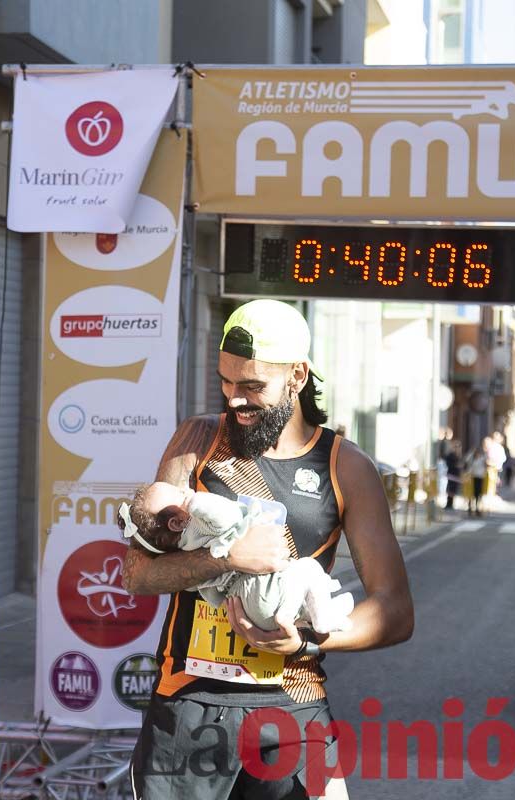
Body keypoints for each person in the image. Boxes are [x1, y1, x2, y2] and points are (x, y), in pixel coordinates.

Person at [123, 299, 414, 799]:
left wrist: (306, 643)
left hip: (292, 705)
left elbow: (395, 610)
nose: (235, 399)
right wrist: (224, 560)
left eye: (253, 386)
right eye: (226, 381)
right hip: (187, 704)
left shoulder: (346, 466)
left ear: (297, 376)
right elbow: (136, 574)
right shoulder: (197, 440)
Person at [119, 482, 355, 634]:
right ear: (178, 521)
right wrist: (196, 502)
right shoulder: (200, 522)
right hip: (262, 586)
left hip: (244, 606)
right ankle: (322, 615)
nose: (187, 490)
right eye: (181, 493)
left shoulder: (184, 554)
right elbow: (226, 516)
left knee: (295, 591)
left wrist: (225, 602)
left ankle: (312, 614)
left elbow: (206, 591)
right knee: (309, 568)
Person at [465, 441, 489, 517]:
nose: (477, 454)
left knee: (478, 494)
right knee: (470, 493)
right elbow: (466, 460)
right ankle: (470, 507)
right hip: (472, 477)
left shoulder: (482, 458)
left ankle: (477, 508)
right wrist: (472, 452)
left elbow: (486, 464)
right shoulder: (471, 458)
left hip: (480, 477)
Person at [444, 442, 462, 511]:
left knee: (454, 490)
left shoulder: (458, 455)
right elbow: (448, 463)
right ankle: (448, 503)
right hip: (452, 474)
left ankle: (451, 503)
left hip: (456, 474)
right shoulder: (450, 455)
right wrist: (455, 465)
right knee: (450, 489)